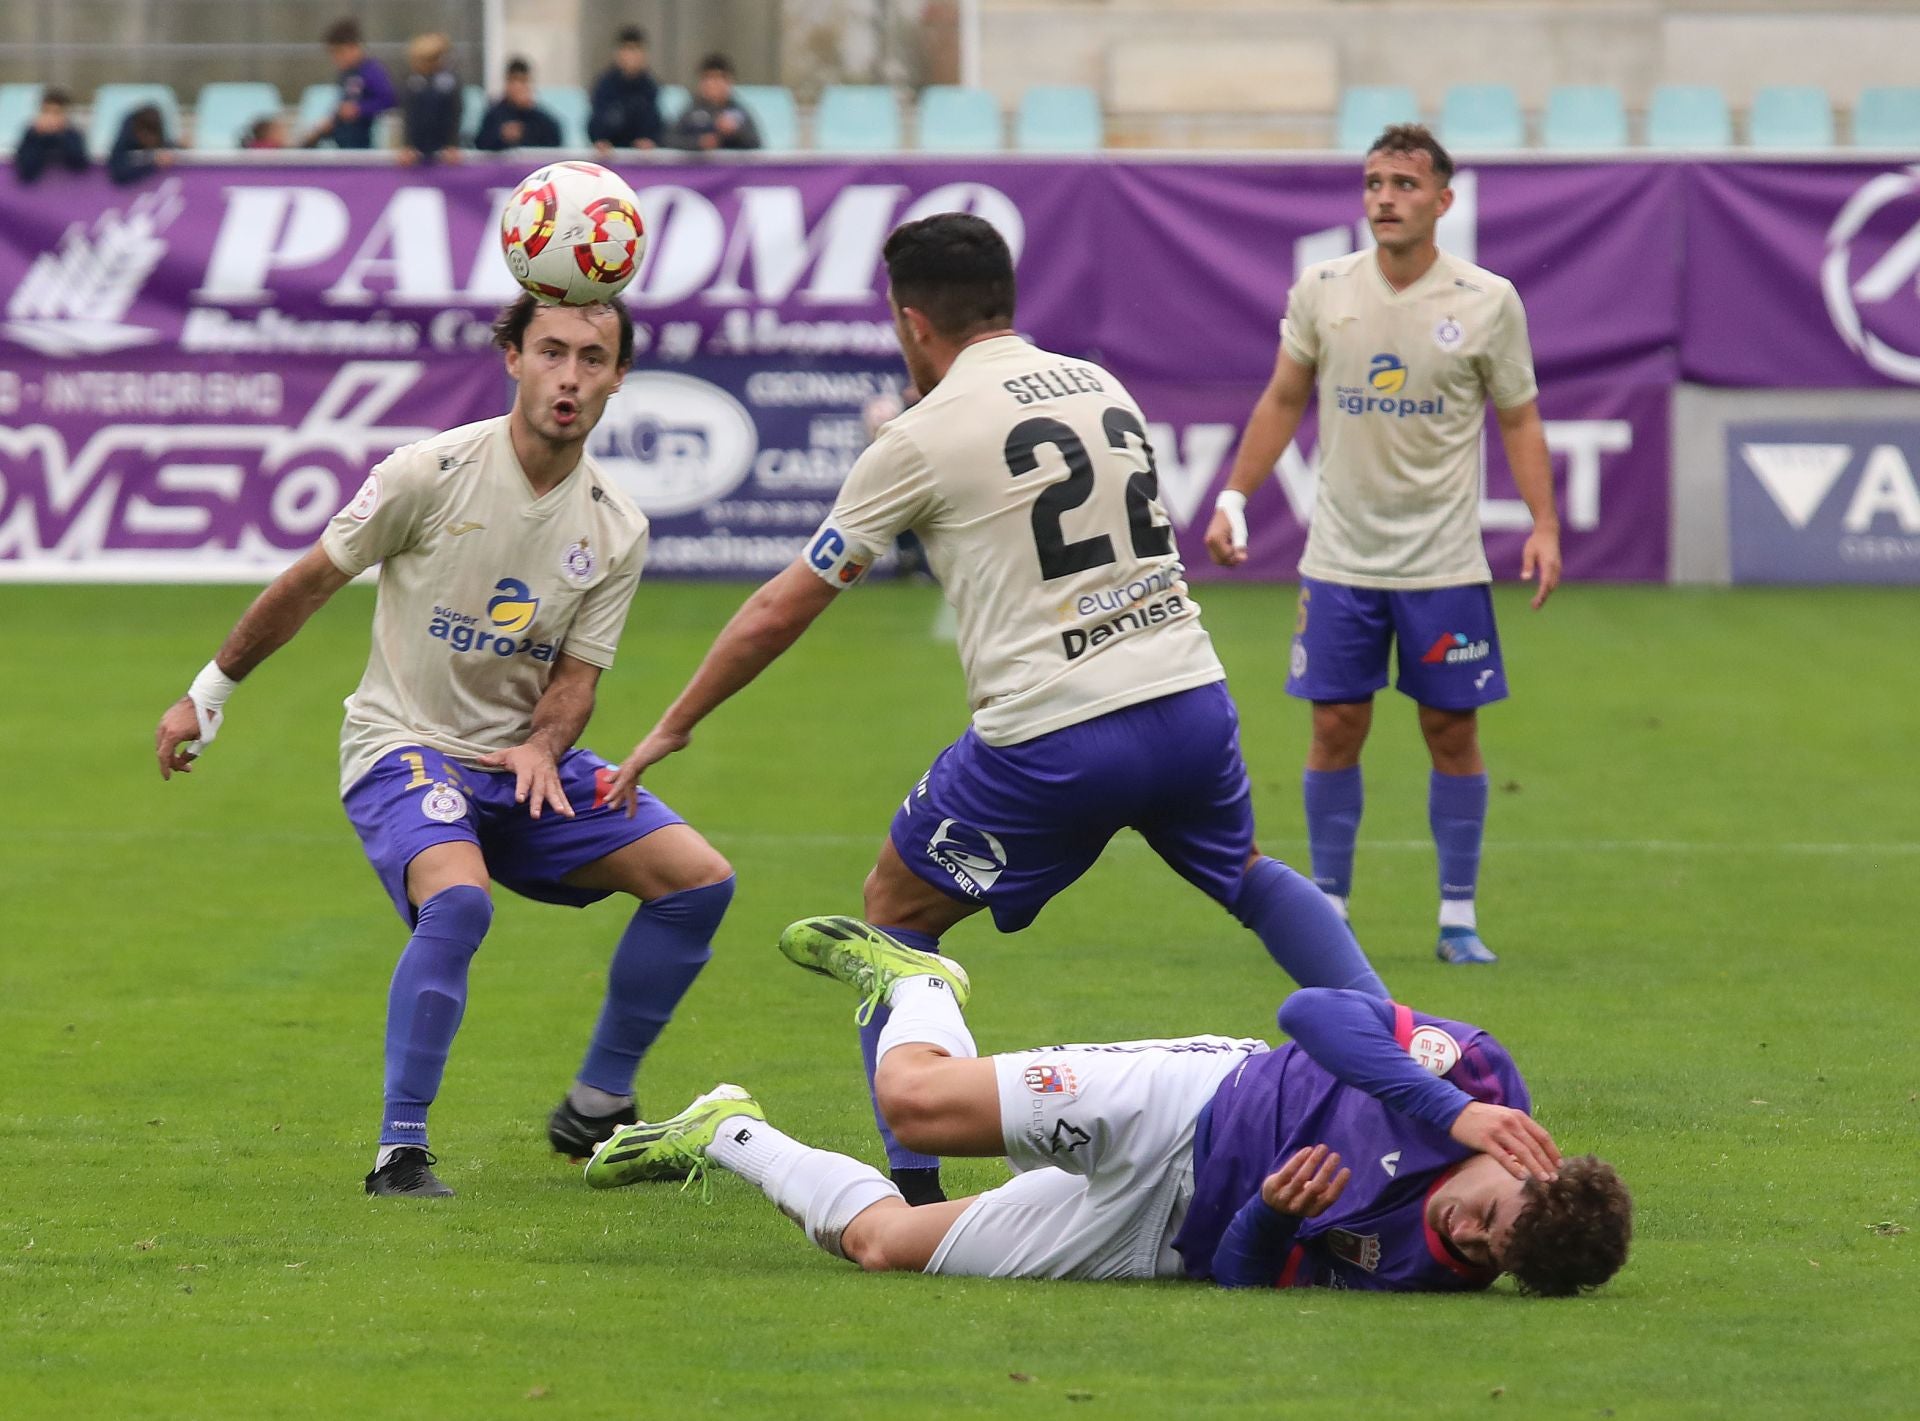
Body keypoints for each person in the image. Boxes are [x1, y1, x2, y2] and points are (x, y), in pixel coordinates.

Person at [603, 212, 1385, 1207]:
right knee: (1245, 872)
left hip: (1055, 740)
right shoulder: (1102, 385)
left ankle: (917, 1190)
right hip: (1189, 698)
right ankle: (1408, 1060)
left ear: (911, 319)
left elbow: (782, 605)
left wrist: (676, 720)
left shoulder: (921, 434)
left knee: (893, 912)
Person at [151, 296, 735, 1198]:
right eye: (550, 352)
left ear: (620, 376)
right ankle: (400, 1152)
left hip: (518, 763)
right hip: (402, 745)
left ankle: (597, 1103)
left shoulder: (617, 524)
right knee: (459, 905)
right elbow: (309, 582)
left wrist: (545, 744)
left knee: (698, 881)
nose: (569, 376)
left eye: (592, 357)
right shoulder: (431, 471)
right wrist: (209, 691)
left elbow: (577, 678)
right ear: (511, 356)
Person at [587, 918, 1631, 1296]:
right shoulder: (1482, 1084)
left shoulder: (1430, 1271)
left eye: (1490, 1254)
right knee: (913, 1103)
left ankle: (722, 1126)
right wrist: (1443, 1111)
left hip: (1162, 1234)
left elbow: (1240, 1275)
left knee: (883, 1243)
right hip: (1186, 1103)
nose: (1468, 1233)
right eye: (1492, 1214)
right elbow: (1312, 1008)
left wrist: (1268, 1213)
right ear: (1530, 1162)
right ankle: (917, 981)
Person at [1204, 123, 1562, 967]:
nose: (1385, 199)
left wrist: (1545, 524)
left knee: (1449, 730)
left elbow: (1518, 415)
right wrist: (1231, 496)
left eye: (1403, 184)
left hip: (1443, 565)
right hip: (1340, 561)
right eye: (1373, 183)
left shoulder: (1486, 299)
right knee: (1334, 726)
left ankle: (1458, 917)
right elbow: (1283, 398)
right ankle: (1329, 910)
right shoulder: (1324, 289)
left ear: (1443, 199)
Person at [305, 17, 396, 149]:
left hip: (362, 144)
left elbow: (389, 99)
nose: (336, 59)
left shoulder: (371, 71)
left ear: (353, 47)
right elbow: (344, 105)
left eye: (339, 53)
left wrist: (360, 109)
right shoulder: (345, 74)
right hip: (342, 143)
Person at [588, 25, 662, 153]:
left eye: (636, 50)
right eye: (627, 50)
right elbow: (597, 118)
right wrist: (599, 139)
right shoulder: (604, 85)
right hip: (609, 152)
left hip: (640, 155)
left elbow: (654, 120)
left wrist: (649, 139)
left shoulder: (650, 87)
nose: (631, 56)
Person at [667, 54, 761, 151]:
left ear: (729, 82)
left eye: (719, 79)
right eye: (709, 78)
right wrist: (698, 143)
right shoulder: (690, 111)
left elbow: (756, 143)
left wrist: (735, 133)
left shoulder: (738, 112)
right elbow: (668, 139)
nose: (714, 85)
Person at [399, 31, 463, 166]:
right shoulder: (412, 81)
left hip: (443, 148)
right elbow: (409, 115)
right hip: (417, 148)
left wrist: (452, 144)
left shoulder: (449, 82)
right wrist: (407, 145)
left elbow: (454, 114)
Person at [476, 58, 562, 152]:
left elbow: (554, 141)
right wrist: (502, 136)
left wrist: (528, 114)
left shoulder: (540, 117)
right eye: (514, 81)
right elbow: (481, 144)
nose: (518, 87)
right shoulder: (494, 114)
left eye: (523, 81)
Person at [13, 89, 87, 182]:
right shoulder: (32, 133)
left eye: (56, 113)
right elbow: (26, 170)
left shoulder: (73, 134)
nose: (51, 117)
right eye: (46, 111)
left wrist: (61, 135)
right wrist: (37, 136)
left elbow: (78, 164)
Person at [108, 104, 174, 186]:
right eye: (148, 137)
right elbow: (119, 173)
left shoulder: (157, 134)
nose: (151, 141)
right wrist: (152, 165)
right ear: (140, 132)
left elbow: (162, 146)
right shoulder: (123, 144)